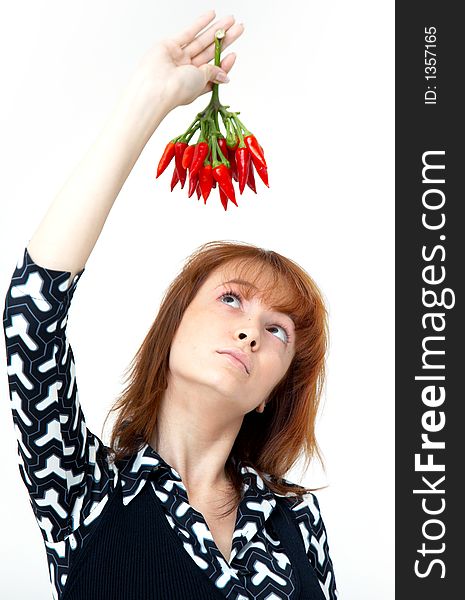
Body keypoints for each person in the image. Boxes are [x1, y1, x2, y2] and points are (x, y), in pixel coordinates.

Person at [2, 10, 338, 600]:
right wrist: (146, 102)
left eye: (278, 330)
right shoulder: (89, 494)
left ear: (272, 392)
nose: (251, 333)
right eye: (231, 299)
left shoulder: (297, 523)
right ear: (173, 326)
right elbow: (30, 315)